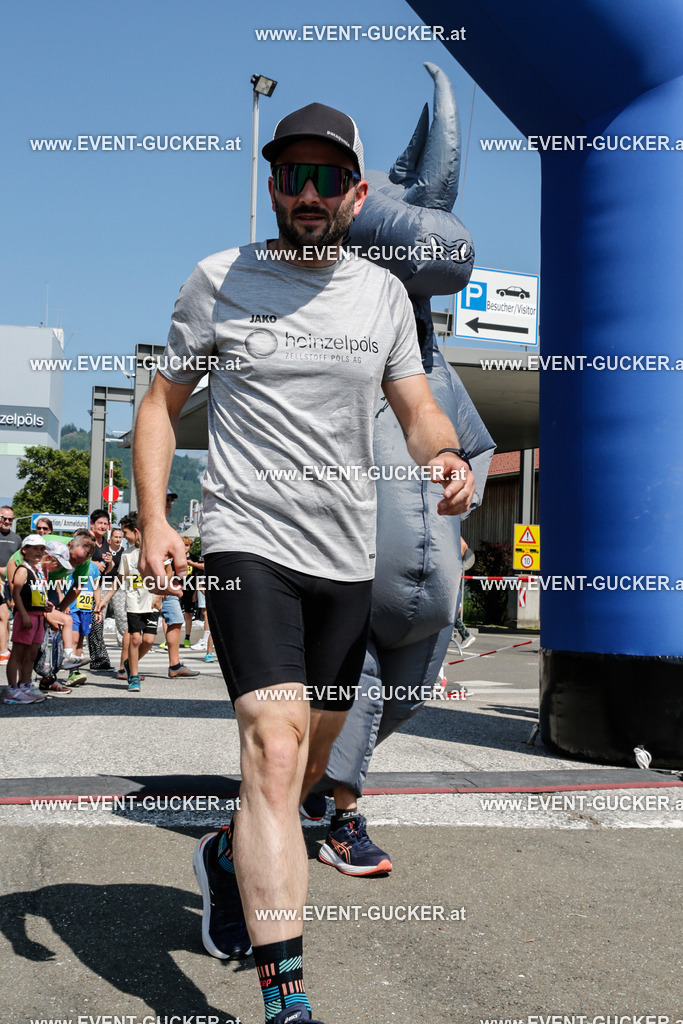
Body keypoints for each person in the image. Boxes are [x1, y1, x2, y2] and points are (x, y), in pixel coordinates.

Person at [134, 102, 474, 1024]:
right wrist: (156, 521)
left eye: (331, 178)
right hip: (245, 541)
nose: (311, 192)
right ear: (273, 185)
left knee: (311, 766)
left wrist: (442, 457)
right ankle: (289, 1000)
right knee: (273, 752)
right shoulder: (218, 280)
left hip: (342, 557)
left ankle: (222, 854)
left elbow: (417, 408)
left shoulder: (381, 297)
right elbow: (161, 402)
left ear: (358, 194)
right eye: (295, 175)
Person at [96, 512, 161, 692]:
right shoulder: (127, 555)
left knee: (148, 640)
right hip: (133, 601)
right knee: (135, 638)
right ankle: (133, 676)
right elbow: (119, 580)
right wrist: (104, 600)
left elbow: (168, 572)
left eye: (125, 533)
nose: (124, 537)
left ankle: (129, 662)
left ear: (136, 531)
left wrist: (158, 595)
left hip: (151, 600)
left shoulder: (155, 549)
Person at [3, 535, 51, 705]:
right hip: (26, 616)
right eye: (34, 548)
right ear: (24, 550)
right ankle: (12, 689)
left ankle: (25, 684)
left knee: (31, 654)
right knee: (18, 653)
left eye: (41, 549)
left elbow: (34, 594)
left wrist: (45, 605)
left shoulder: (36, 570)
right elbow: (16, 593)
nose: (38, 552)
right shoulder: (23, 569)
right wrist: (23, 614)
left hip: (37, 616)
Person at [85, 510, 112, 671]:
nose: (102, 526)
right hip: (82, 587)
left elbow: (107, 570)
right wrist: (93, 563)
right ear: (92, 523)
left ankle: (99, 659)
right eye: (100, 523)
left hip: (96, 586)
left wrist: (108, 563)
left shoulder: (105, 542)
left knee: (97, 622)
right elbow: (78, 557)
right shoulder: (86, 538)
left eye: (105, 523)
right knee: (82, 625)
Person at [0, 505, 22, 664]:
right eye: (4, 518)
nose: (7, 521)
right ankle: (3, 652)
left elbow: (20, 562)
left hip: (10, 582)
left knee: (7, 617)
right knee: (4, 616)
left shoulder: (16, 539)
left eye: (10, 519)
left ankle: (4, 648)